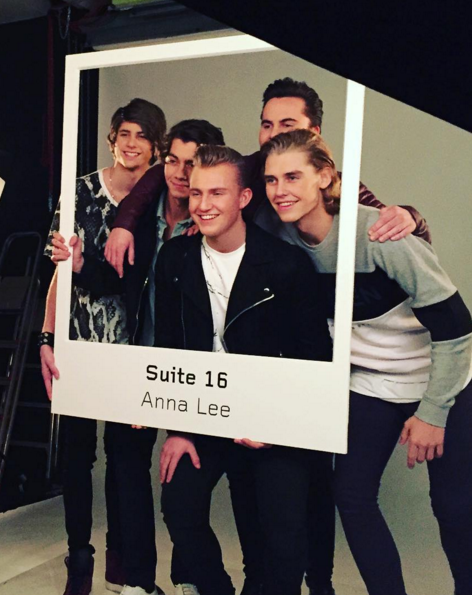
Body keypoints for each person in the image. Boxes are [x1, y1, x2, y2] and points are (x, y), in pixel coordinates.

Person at [259, 129, 472, 595]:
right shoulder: (279, 237)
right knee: (352, 497)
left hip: (441, 378)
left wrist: (433, 413)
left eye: (293, 177)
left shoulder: (379, 234)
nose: (280, 190)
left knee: (455, 506)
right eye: (271, 180)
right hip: (372, 384)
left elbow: (457, 325)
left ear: (325, 177)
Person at [154, 144, 333, 595]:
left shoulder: (287, 265)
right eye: (196, 193)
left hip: (273, 419)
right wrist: (178, 427)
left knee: (281, 537)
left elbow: (314, 358)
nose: (203, 205)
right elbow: (170, 346)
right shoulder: (174, 258)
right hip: (204, 413)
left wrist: (273, 422)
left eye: (217, 193)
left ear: (244, 198)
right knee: (179, 505)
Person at [104, 77, 430, 279]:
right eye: (267, 124)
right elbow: (169, 174)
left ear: (314, 132)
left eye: (287, 125)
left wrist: (410, 217)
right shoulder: (246, 169)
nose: (273, 135)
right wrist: (124, 224)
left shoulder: (334, 183)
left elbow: (392, 230)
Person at [39, 98, 168, 595]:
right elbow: (61, 273)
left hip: (133, 349)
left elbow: (141, 277)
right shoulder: (80, 191)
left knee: (126, 460)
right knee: (76, 458)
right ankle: (79, 558)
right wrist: (47, 337)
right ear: (112, 139)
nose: (131, 144)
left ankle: (122, 560)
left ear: (156, 147)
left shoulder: (159, 199)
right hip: (78, 344)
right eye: (124, 133)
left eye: (142, 135)